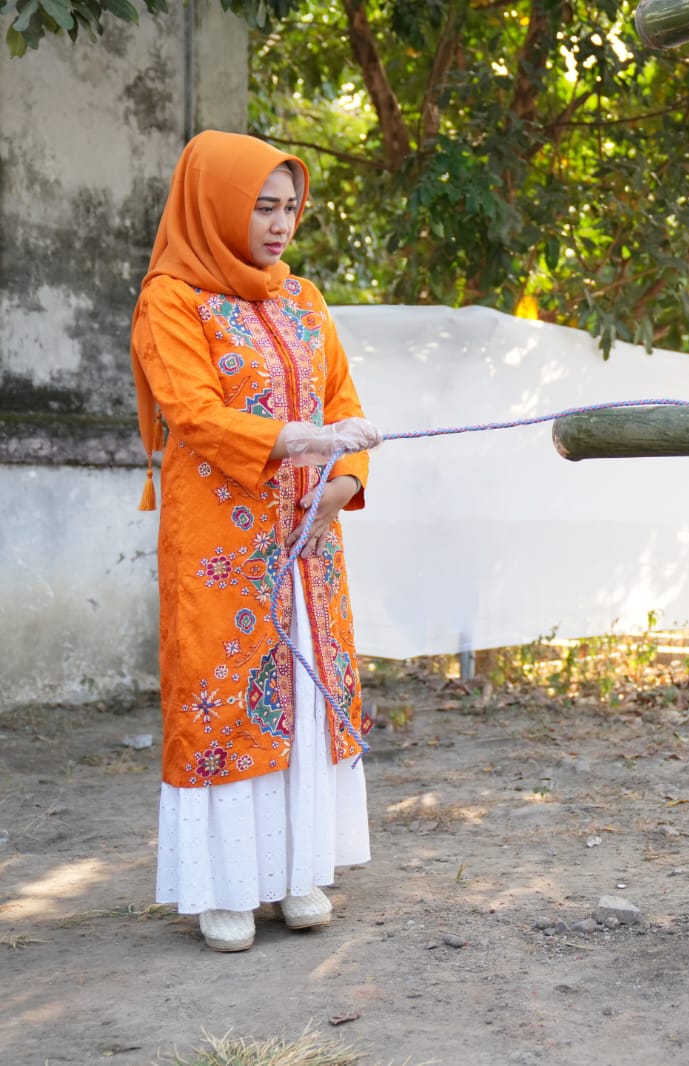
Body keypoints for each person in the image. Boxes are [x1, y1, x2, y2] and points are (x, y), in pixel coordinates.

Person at [130, 130, 383, 952]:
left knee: (304, 697)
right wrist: (307, 442)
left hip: (307, 549)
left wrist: (344, 478)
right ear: (215, 206)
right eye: (262, 208)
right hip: (221, 550)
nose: (280, 225)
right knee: (229, 700)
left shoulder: (302, 299)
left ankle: (297, 872)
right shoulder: (171, 301)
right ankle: (226, 889)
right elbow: (196, 415)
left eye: (290, 208)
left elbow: (343, 401)